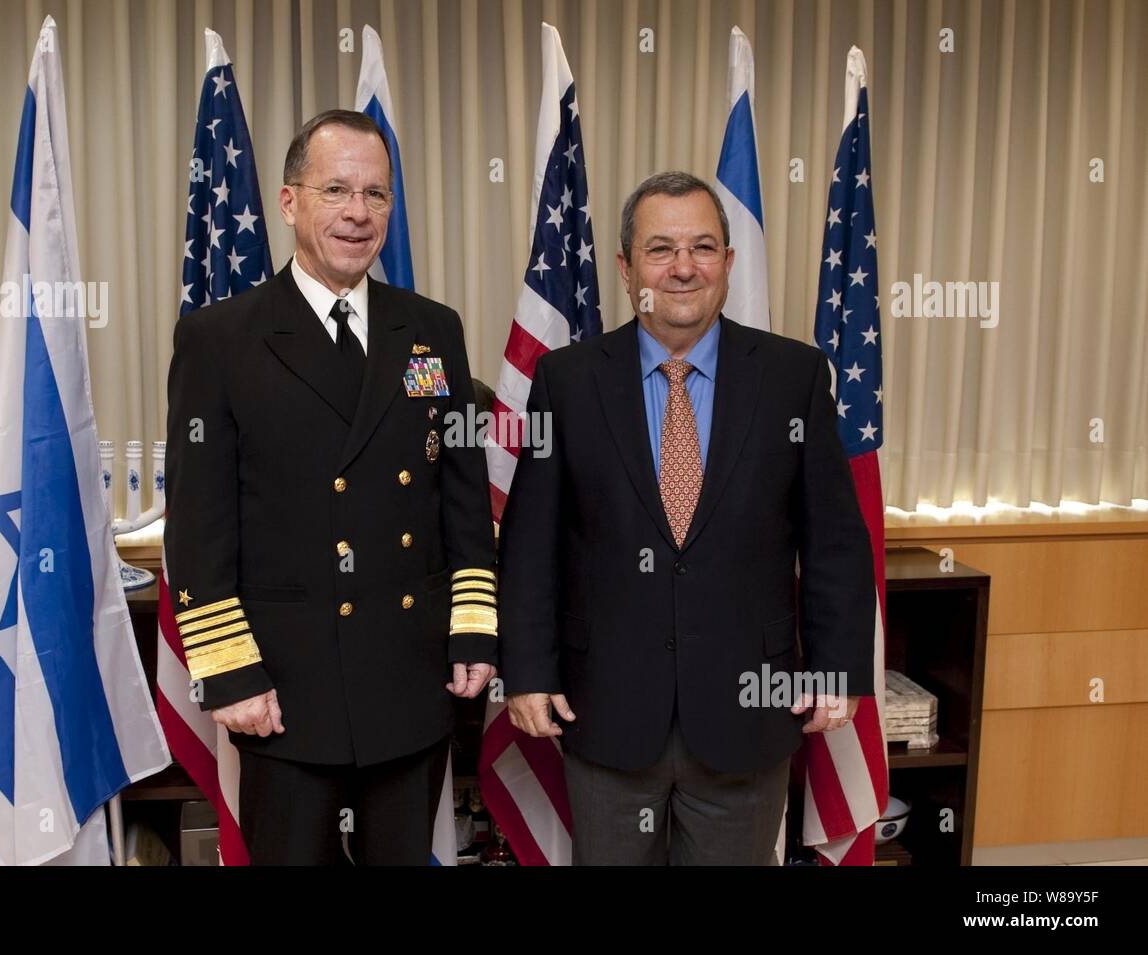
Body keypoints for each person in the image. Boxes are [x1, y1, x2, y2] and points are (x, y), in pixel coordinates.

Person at [498, 171, 875, 865]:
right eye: (660, 248)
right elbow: (530, 546)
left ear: (729, 263)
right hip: (606, 712)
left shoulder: (794, 377)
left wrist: (840, 666)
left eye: (703, 247)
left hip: (748, 716)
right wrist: (524, 671)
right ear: (625, 266)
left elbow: (835, 543)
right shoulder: (568, 381)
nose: (682, 267)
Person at [165, 109, 496, 865]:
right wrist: (229, 670)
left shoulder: (432, 329)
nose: (357, 213)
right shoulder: (220, 339)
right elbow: (198, 525)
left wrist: (473, 627)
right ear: (289, 203)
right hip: (282, 690)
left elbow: (462, 494)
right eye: (337, 190)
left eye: (376, 195)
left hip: (408, 678)